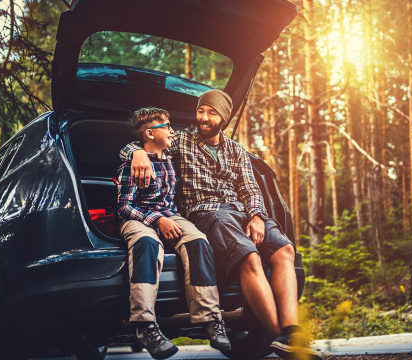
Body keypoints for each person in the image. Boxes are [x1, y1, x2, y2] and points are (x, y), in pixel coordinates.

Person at [120, 91, 324, 360]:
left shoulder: (236, 150)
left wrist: (257, 217)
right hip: (207, 213)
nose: (203, 117)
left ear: (224, 118)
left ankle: (291, 333)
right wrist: (136, 153)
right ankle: (291, 346)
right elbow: (142, 142)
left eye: (211, 112)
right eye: (201, 111)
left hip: (241, 214)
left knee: (285, 251)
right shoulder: (181, 141)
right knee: (249, 257)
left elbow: (251, 190)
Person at [117, 107, 231, 359]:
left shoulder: (170, 155)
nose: (172, 131)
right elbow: (125, 206)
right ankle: (144, 325)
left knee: (199, 241)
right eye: (167, 127)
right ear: (149, 133)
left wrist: (167, 219)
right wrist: (157, 220)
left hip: (172, 215)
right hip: (138, 217)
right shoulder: (132, 165)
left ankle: (210, 318)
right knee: (147, 243)